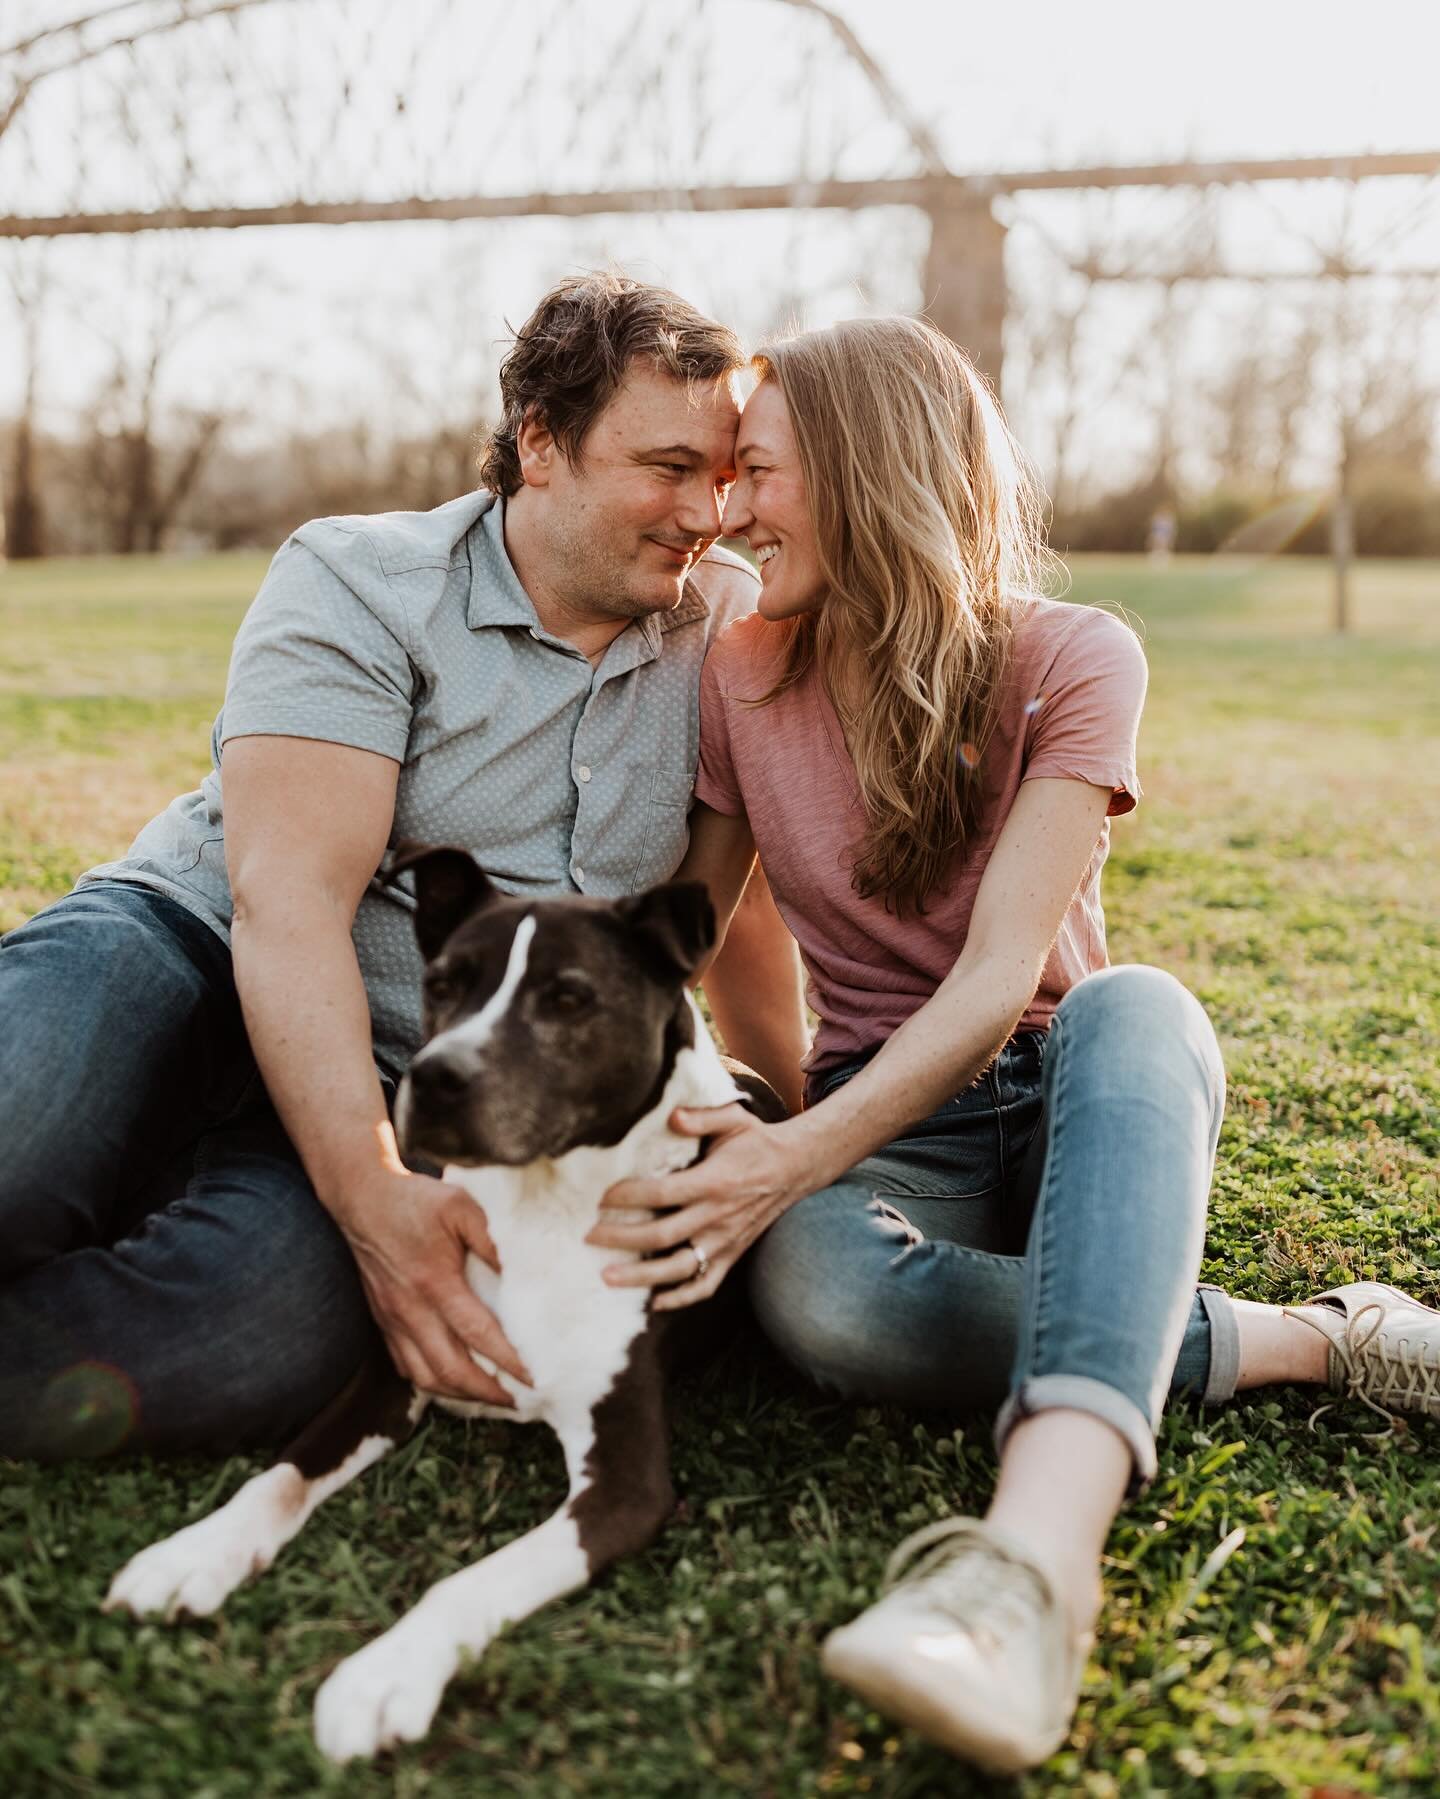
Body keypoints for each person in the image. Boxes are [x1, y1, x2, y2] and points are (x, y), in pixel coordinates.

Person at [588, 315, 1440, 1775]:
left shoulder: (1072, 657)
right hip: (884, 1109)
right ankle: (1302, 1336)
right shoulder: (734, 673)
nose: (730, 508)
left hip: (1069, 1080)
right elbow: (713, 931)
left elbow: (994, 986)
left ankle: (1028, 1569)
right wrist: (779, 1131)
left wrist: (791, 1153)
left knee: (1141, 1001)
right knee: (831, 1301)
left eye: (761, 472)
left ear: (870, 476)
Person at [0, 273, 808, 1462]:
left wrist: (792, 1136)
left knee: (252, 1338)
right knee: (19, 1131)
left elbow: (722, 920)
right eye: (667, 467)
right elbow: (290, 903)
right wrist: (371, 1204)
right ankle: (116, 1145)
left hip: (400, 1073)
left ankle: (155, 1199)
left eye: (723, 474)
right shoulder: (362, 581)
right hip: (192, 949)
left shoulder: (731, 626)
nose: (707, 512)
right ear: (542, 442)